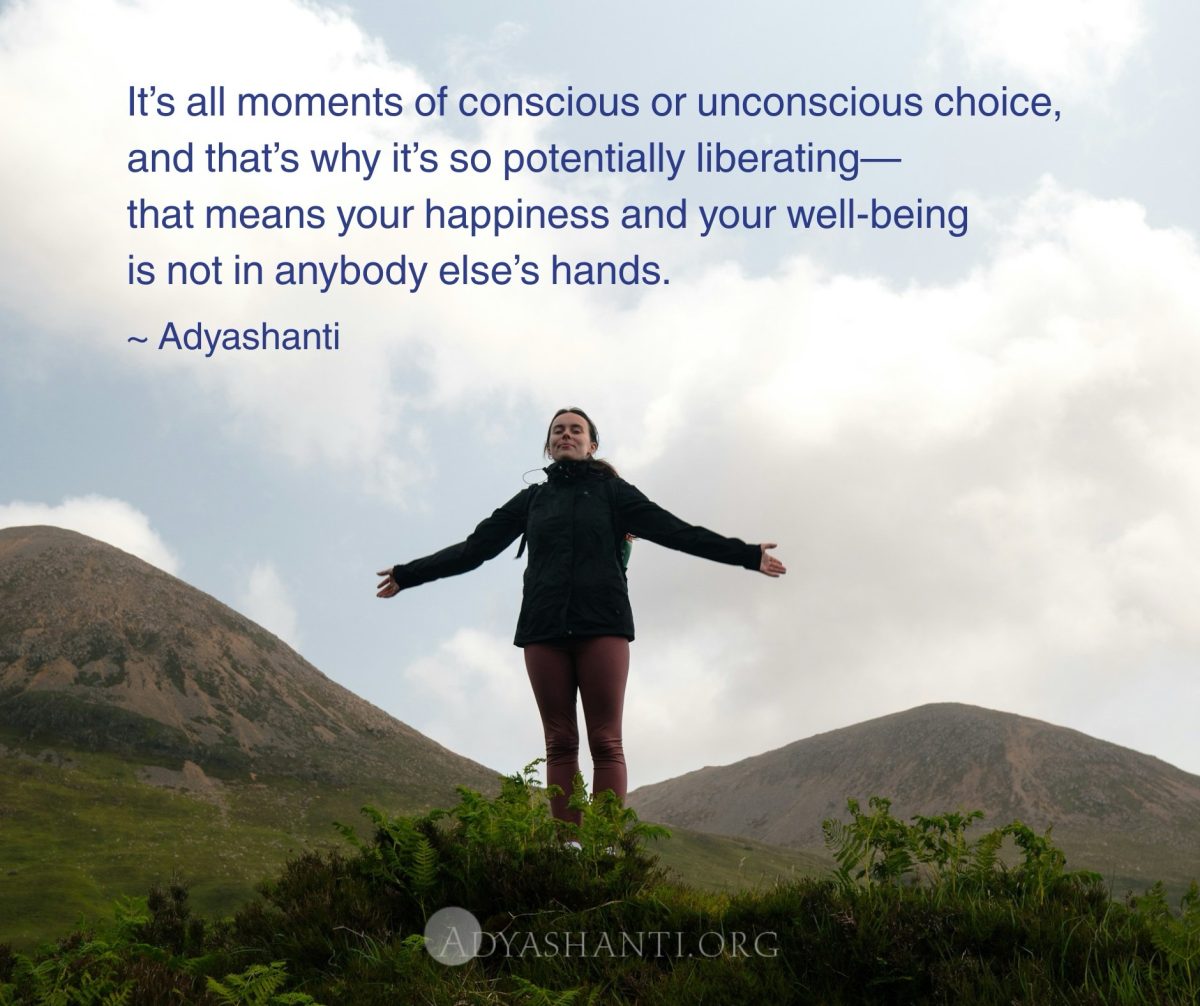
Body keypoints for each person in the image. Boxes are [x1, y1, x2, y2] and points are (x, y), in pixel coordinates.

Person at [376, 407, 785, 831]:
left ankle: (604, 843)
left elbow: (677, 532)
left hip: (603, 624)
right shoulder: (531, 501)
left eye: (576, 430)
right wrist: (408, 574)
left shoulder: (614, 493)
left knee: (605, 740)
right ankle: (569, 846)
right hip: (543, 628)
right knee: (559, 741)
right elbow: (473, 550)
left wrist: (746, 555)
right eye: (558, 431)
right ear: (548, 446)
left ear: (592, 445)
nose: (566, 435)